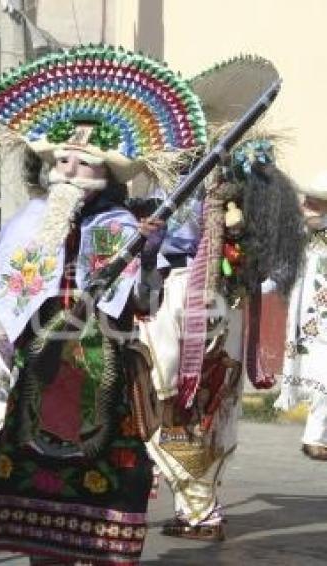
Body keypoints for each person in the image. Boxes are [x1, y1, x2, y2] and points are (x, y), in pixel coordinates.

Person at [0, 44, 207, 565]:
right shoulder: (29, 220)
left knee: (100, 493)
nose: (69, 170)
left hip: (103, 374)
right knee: (34, 492)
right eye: (62, 160)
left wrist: (150, 248)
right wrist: (8, 339)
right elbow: (3, 292)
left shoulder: (125, 226)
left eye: (83, 163)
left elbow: (141, 302)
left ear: (107, 174)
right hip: (37, 373)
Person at [140, 56, 306, 541]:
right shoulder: (217, 176)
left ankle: (199, 510)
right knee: (209, 402)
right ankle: (198, 504)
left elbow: (178, 239)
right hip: (220, 302)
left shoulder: (212, 179)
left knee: (177, 397)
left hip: (193, 298)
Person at [277, 171, 327, 460]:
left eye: (314, 201)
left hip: (317, 318)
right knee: (322, 377)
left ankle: (315, 436)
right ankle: (314, 437)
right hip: (309, 320)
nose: (306, 204)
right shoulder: (302, 235)